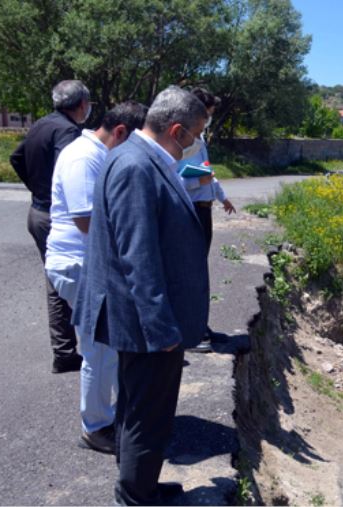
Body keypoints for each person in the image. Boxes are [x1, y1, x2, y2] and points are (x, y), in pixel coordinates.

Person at [72, 86, 210, 505]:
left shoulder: (141, 157)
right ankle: (136, 496)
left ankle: (139, 486)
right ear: (176, 129)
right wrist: (161, 327)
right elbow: (138, 256)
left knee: (137, 409)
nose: (196, 143)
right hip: (145, 322)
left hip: (142, 319)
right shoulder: (136, 165)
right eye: (196, 134)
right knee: (147, 416)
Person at [45, 102, 148, 455]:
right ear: (120, 132)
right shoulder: (82, 159)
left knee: (107, 347)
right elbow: (87, 221)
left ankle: (108, 416)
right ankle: (96, 427)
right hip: (78, 264)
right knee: (99, 350)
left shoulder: (96, 153)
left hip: (91, 264)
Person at [10, 80, 90, 373]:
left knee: (56, 280)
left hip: (37, 211)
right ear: (82, 104)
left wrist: (37, 188)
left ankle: (65, 349)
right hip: (54, 216)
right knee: (63, 281)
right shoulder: (68, 132)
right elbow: (70, 171)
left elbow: (16, 157)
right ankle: (67, 352)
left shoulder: (41, 124)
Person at [177, 87, 235, 353]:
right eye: (207, 115)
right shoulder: (182, 142)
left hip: (203, 209)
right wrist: (196, 181)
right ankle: (192, 331)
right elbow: (175, 180)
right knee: (190, 272)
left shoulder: (199, 141)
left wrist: (221, 196)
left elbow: (207, 174)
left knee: (199, 271)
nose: (208, 121)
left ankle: (199, 324)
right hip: (190, 212)